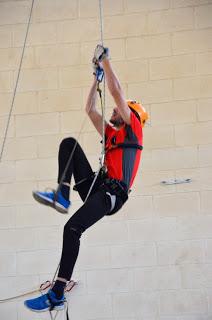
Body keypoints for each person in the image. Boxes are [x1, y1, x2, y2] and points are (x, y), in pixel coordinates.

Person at [24, 45, 148, 312]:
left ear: (131, 114)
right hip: (97, 187)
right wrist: (96, 77)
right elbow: (89, 109)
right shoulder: (112, 133)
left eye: (120, 110)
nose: (114, 111)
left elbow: (117, 93)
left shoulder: (133, 129)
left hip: (110, 195)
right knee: (69, 144)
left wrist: (106, 63)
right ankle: (62, 194)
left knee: (72, 229)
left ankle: (57, 293)